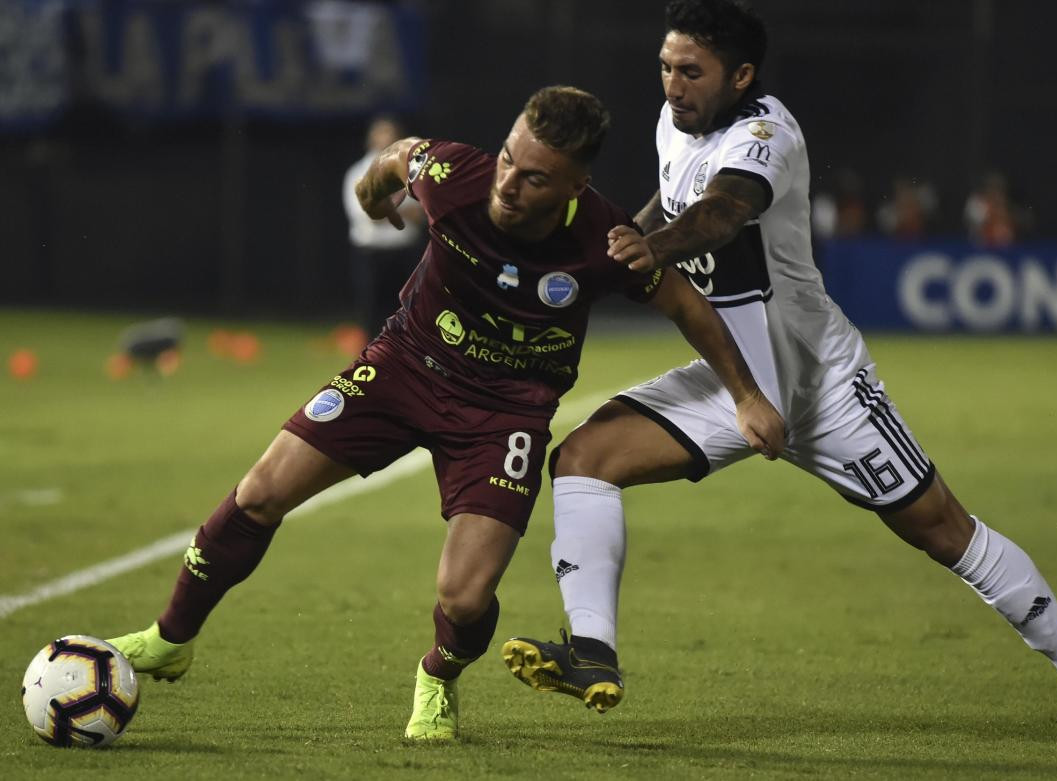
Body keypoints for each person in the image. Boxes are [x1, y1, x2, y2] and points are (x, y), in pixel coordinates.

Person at [501, 0, 1057, 761]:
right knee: (583, 458)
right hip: (732, 375)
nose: (673, 85)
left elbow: (720, 212)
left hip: (821, 385)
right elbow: (675, 200)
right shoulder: (671, 121)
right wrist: (635, 235)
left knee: (945, 531)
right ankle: (591, 650)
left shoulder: (766, 136)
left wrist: (653, 248)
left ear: (741, 75)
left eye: (691, 71)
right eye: (665, 67)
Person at [105, 85, 784, 741]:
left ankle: (439, 672)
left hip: (504, 414)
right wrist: (376, 199)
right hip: (402, 368)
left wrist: (749, 397)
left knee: (462, 598)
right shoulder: (456, 173)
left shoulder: (605, 240)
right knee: (259, 492)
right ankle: (171, 638)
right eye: (510, 156)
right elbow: (396, 156)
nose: (509, 183)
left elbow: (687, 306)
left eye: (535, 177)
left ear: (575, 188)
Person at [343, 116, 426, 338]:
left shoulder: (413, 172)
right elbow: (370, 216)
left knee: (407, 313)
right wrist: (399, 212)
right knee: (372, 313)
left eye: (390, 134)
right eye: (381, 134)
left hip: (405, 252)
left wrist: (386, 209)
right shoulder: (358, 173)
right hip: (372, 254)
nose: (386, 139)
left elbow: (421, 214)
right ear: (371, 139)